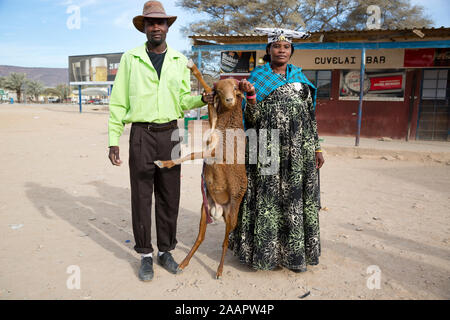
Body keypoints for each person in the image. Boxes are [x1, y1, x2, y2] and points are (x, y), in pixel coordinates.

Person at [108, 1, 210, 281]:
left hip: (171, 134)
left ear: (167, 27)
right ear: (144, 28)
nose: (156, 27)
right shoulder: (131, 58)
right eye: (150, 23)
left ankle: (166, 251)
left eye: (160, 22)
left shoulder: (179, 60)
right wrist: (113, 139)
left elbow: (182, 100)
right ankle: (144, 255)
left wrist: (202, 98)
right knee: (141, 196)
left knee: (169, 195)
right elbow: (118, 102)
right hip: (141, 133)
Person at [230, 29, 325, 272]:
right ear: (269, 51)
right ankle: (264, 256)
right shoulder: (257, 78)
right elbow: (250, 119)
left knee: (294, 201)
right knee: (268, 200)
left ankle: (294, 257)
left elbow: (310, 116)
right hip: (266, 148)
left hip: (298, 151)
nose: (281, 50)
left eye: (286, 46)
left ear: (291, 51)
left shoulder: (301, 78)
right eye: (276, 46)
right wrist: (251, 97)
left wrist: (317, 147)